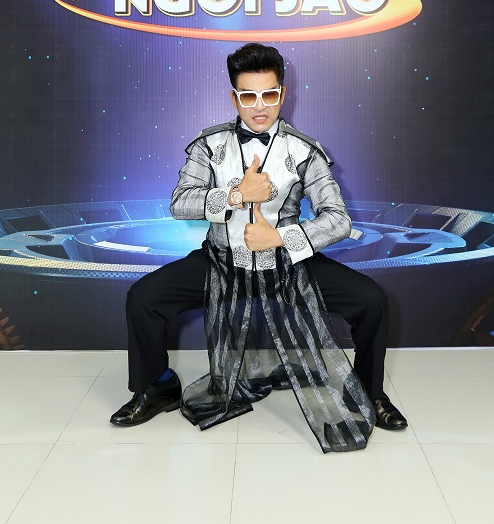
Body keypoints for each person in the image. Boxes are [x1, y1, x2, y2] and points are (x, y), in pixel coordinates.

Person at [111, 43, 407, 453]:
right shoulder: (209, 145)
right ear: (234, 98)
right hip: (221, 262)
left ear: (282, 94)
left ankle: (371, 394)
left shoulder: (304, 150)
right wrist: (236, 195)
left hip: (288, 265)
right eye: (248, 96)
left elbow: (338, 219)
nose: (260, 106)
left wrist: (281, 238)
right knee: (144, 298)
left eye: (268, 94)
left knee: (371, 301)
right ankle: (157, 385)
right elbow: (180, 203)